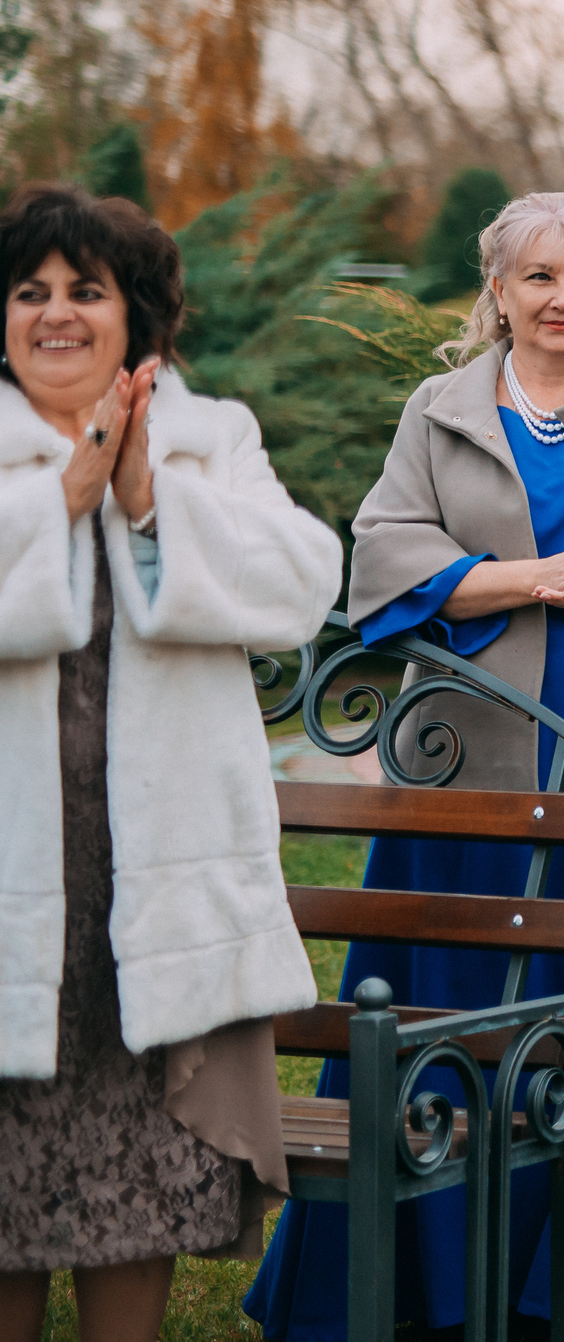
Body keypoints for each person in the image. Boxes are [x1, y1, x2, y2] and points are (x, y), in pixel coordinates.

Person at [248, 192, 564, 1340]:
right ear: (500, 289)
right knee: (435, 1000)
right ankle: (412, 1277)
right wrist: (531, 578)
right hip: (460, 757)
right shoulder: (438, 408)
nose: (562, 299)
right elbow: (386, 556)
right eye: (539, 277)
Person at [0, 185, 338, 1342]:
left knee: (132, 1179)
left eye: (84, 291)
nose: (56, 313)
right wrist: (64, 501)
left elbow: (302, 584)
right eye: (30, 291)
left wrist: (149, 502)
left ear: (133, 317)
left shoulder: (211, 439)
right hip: (12, 882)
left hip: (156, 884)